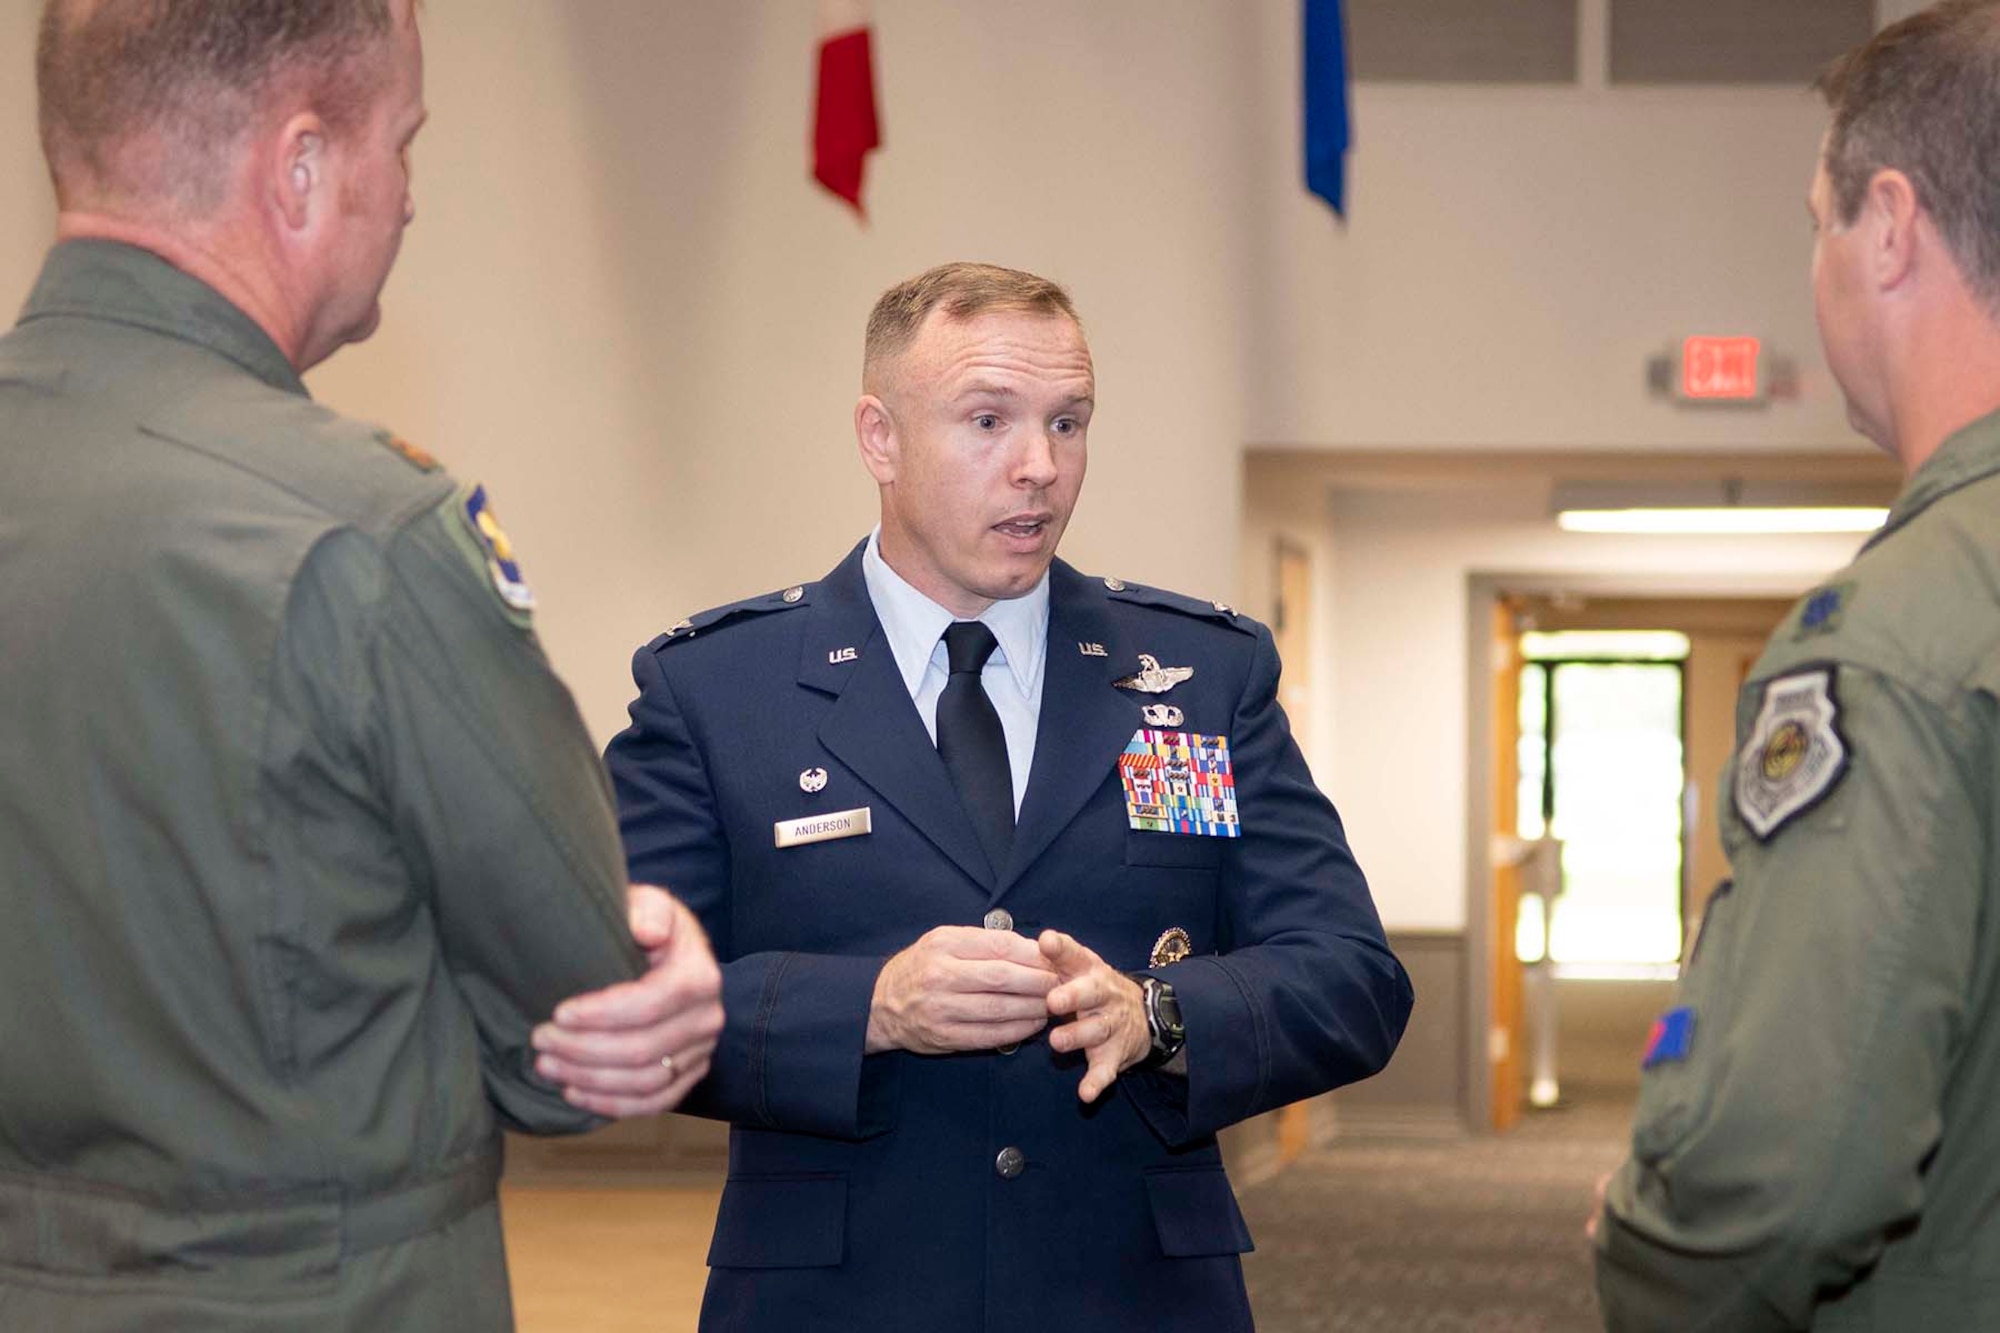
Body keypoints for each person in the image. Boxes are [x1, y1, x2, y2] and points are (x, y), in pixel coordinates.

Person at [0, 2, 721, 1328]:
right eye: (406, 144)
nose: (406, 198)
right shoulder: (359, 535)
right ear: (304, 165)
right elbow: (581, 1029)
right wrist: (647, 957)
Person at [566, 261, 1413, 1332]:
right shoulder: (719, 691)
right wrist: (866, 1010)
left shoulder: (1197, 678)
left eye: (1068, 423)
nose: (1038, 468)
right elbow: (621, 1003)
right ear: (879, 438)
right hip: (837, 1299)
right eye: (986, 421)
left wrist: (1155, 1014)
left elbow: (1351, 980)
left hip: (1134, 1297)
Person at [1594, 4, 2000, 1327]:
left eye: (1815, 221)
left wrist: (1649, 1255)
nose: (1815, 264)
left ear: (1889, 230)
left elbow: (1786, 1176)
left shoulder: (1899, 640)